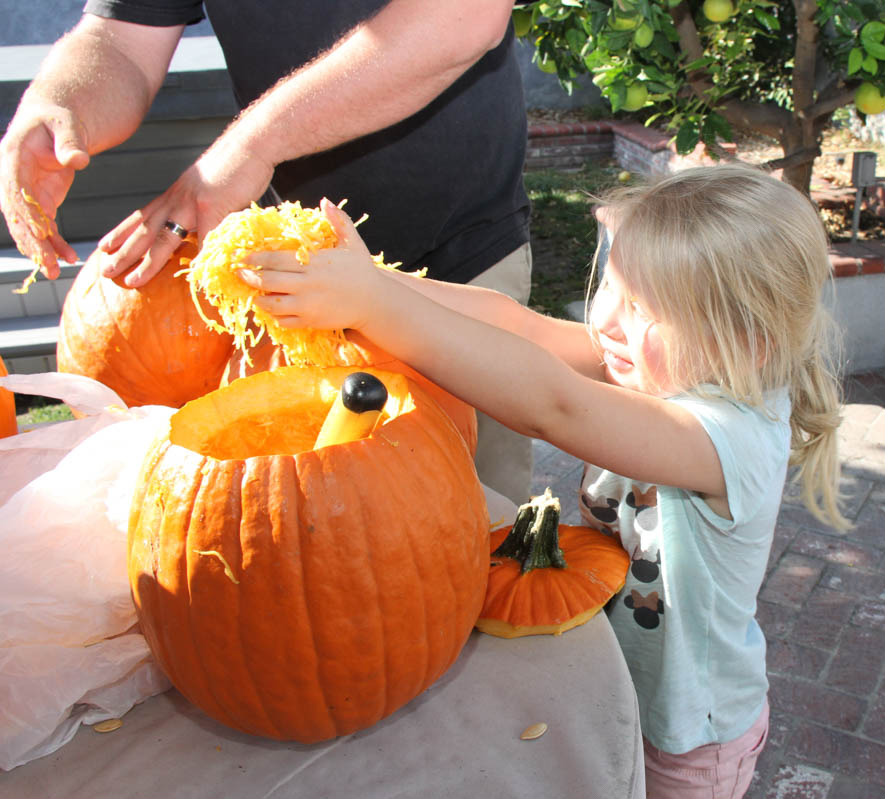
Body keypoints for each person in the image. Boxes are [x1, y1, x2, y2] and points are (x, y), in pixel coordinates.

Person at [235, 164, 847, 798]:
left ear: (748, 344)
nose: (606, 318)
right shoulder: (664, 360)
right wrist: (371, 282)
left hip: (690, 740)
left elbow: (554, 405)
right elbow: (518, 327)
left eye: (641, 306)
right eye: (611, 283)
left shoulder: (729, 439)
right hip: (624, 693)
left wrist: (373, 305)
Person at [0, 0, 534, 502]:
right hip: (301, 288)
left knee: (479, 529)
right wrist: (58, 103)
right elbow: (120, 40)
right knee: (320, 527)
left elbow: (462, 16)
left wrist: (249, 146)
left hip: (463, 260)